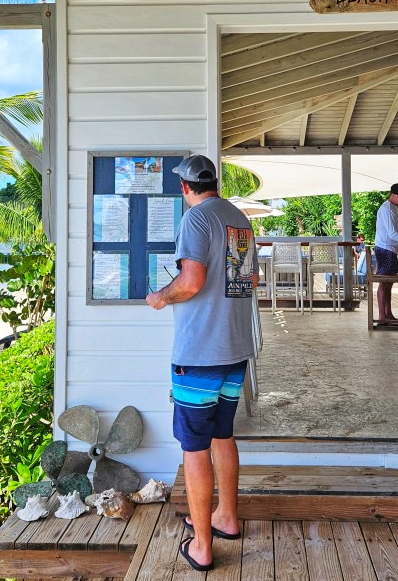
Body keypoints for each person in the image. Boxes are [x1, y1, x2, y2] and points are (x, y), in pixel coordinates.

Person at [145, 154, 258, 573]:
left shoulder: (195, 220)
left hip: (199, 353)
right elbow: (249, 281)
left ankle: (203, 547)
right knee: (223, 437)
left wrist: (161, 297)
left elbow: (191, 282)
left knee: (194, 449)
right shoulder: (239, 219)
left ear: (185, 187)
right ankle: (226, 516)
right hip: (234, 347)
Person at [372, 183, 398, 324]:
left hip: (390, 249)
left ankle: (388, 314)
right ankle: (382, 316)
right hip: (385, 249)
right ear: (393, 195)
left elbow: (394, 231)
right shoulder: (386, 209)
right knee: (384, 283)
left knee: (389, 283)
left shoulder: (393, 207)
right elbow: (392, 233)